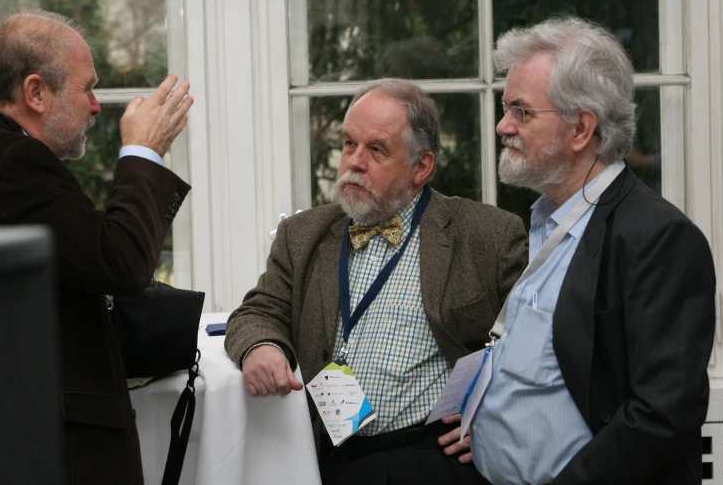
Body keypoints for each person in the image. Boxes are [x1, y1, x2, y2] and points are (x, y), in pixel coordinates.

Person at [224, 78, 527, 484]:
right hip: (330, 458)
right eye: (349, 144)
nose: (354, 161)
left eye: (376, 149)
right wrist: (260, 347)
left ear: (421, 167)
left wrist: (496, 420)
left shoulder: (486, 234)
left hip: (432, 458)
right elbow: (258, 310)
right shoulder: (303, 235)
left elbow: (534, 348)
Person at [468, 16, 716, 485]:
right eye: (505, 108)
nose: (503, 125)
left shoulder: (657, 238)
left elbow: (662, 414)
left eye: (521, 112)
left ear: (581, 128)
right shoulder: (544, 223)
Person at [0, 9, 193, 485]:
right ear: (35, 92)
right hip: (48, 450)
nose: (96, 106)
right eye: (86, 88)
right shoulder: (13, 160)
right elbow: (119, 261)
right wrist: (143, 153)